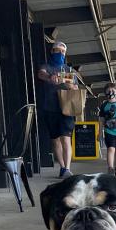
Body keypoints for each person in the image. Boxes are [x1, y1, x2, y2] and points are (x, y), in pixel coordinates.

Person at [37, 41, 79, 178]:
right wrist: (50, 77)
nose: (60, 53)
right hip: (50, 108)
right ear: (52, 51)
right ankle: (62, 167)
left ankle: (67, 168)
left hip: (66, 108)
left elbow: (75, 87)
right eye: (57, 50)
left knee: (66, 138)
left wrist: (63, 80)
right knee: (55, 139)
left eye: (62, 51)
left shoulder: (69, 70)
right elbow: (41, 74)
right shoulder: (47, 67)